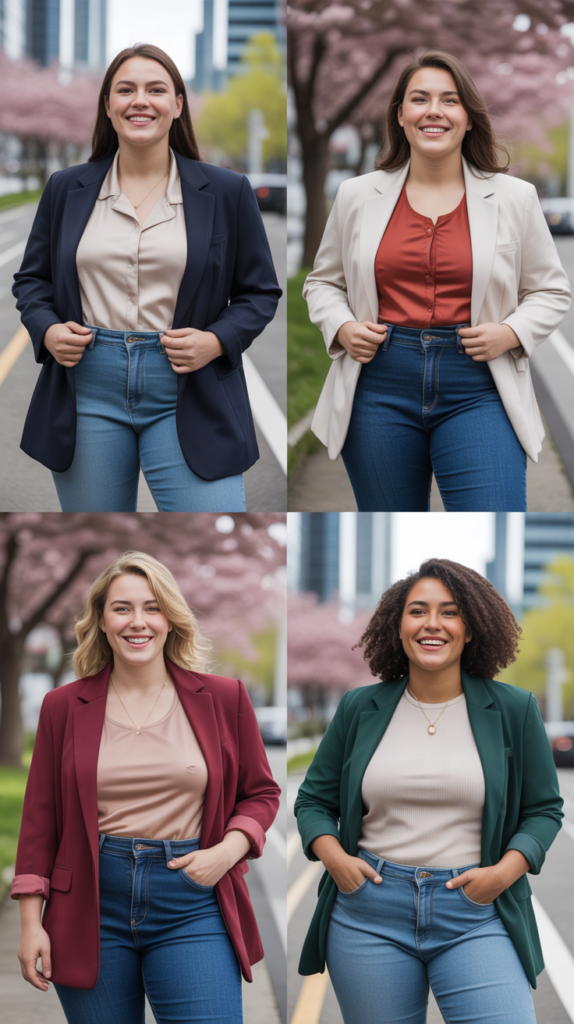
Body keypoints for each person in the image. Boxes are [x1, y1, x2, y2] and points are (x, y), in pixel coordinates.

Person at [12, 551, 281, 1024]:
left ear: (171, 619)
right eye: (122, 608)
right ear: (101, 619)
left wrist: (227, 851)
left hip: (193, 901)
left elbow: (260, 793)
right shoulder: (62, 706)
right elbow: (40, 819)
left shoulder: (223, 697)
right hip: (90, 906)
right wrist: (31, 923)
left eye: (152, 607)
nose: (138, 622)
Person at [13, 44, 282, 513]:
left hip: (189, 385)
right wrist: (48, 330)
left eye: (156, 89)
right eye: (126, 89)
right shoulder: (65, 188)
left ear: (178, 104)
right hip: (86, 387)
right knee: (98, 539)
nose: (141, 100)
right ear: (108, 105)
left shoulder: (226, 191)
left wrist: (217, 341)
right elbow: (32, 281)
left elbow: (259, 292)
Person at [295, 558, 563, 1024]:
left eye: (450, 611)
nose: (432, 624)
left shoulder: (515, 708)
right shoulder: (360, 707)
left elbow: (544, 810)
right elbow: (313, 801)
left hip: (477, 912)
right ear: (398, 626)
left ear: (472, 628)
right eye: (417, 611)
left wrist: (503, 874)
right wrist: (336, 861)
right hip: (369, 913)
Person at [304, 50, 571, 512]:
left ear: (468, 118)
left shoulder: (515, 198)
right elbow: (322, 283)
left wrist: (510, 333)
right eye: (419, 99)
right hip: (378, 384)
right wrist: (343, 328)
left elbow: (551, 290)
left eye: (450, 100)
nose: (434, 110)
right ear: (401, 116)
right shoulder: (356, 196)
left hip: (480, 384)